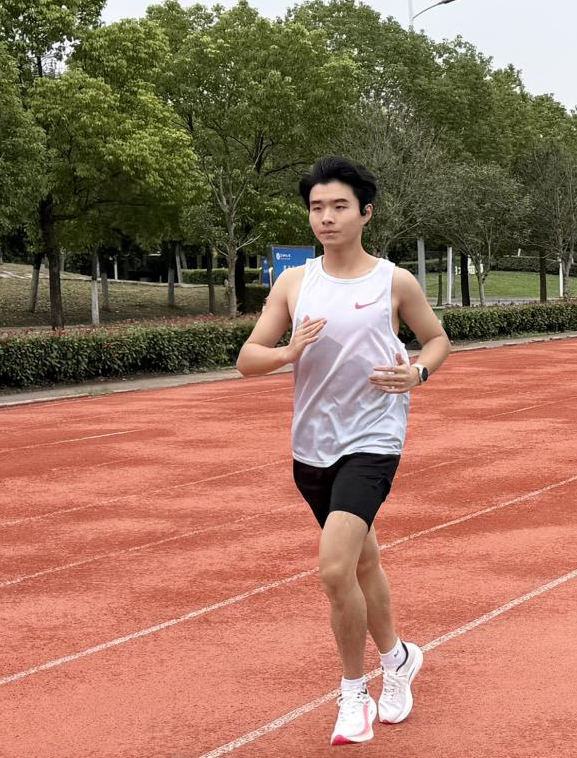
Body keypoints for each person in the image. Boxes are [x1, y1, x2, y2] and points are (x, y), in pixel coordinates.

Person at [236, 156, 451, 746]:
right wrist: (288, 352)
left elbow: (436, 339)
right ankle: (399, 658)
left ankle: (353, 693)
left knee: (334, 568)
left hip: (374, 439)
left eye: (338, 206)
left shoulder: (393, 282)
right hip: (312, 447)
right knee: (362, 564)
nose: (326, 218)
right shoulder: (295, 283)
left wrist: (418, 374)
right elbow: (247, 359)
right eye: (316, 208)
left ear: (365, 213)